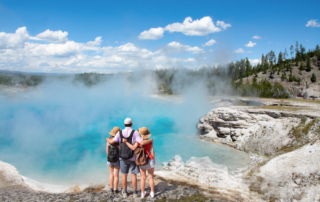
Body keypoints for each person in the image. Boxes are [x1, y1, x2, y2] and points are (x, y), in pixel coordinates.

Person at [106, 118, 152, 198]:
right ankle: (134, 192)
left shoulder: (119, 133)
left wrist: (107, 139)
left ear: (124, 124)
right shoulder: (135, 132)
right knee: (134, 175)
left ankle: (125, 192)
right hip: (133, 157)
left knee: (124, 175)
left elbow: (112, 142)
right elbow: (141, 142)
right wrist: (151, 140)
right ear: (132, 124)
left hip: (122, 158)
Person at [123, 127, 155, 198]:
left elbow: (133, 148)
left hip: (142, 160)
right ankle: (152, 193)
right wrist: (154, 160)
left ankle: (143, 194)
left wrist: (126, 142)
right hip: (150, 159)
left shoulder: (137, 142)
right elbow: (152, 151)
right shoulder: (150, 141)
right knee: (151, 178)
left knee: (143, 178)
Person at [106, 126, 121, 193]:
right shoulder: (119, 141)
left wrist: (109, 157)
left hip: (109, 159)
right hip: (117, 160)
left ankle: (111, 188)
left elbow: (107, 150)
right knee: (116, 175)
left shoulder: (109, 140)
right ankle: (115, 189)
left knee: (111, 174)